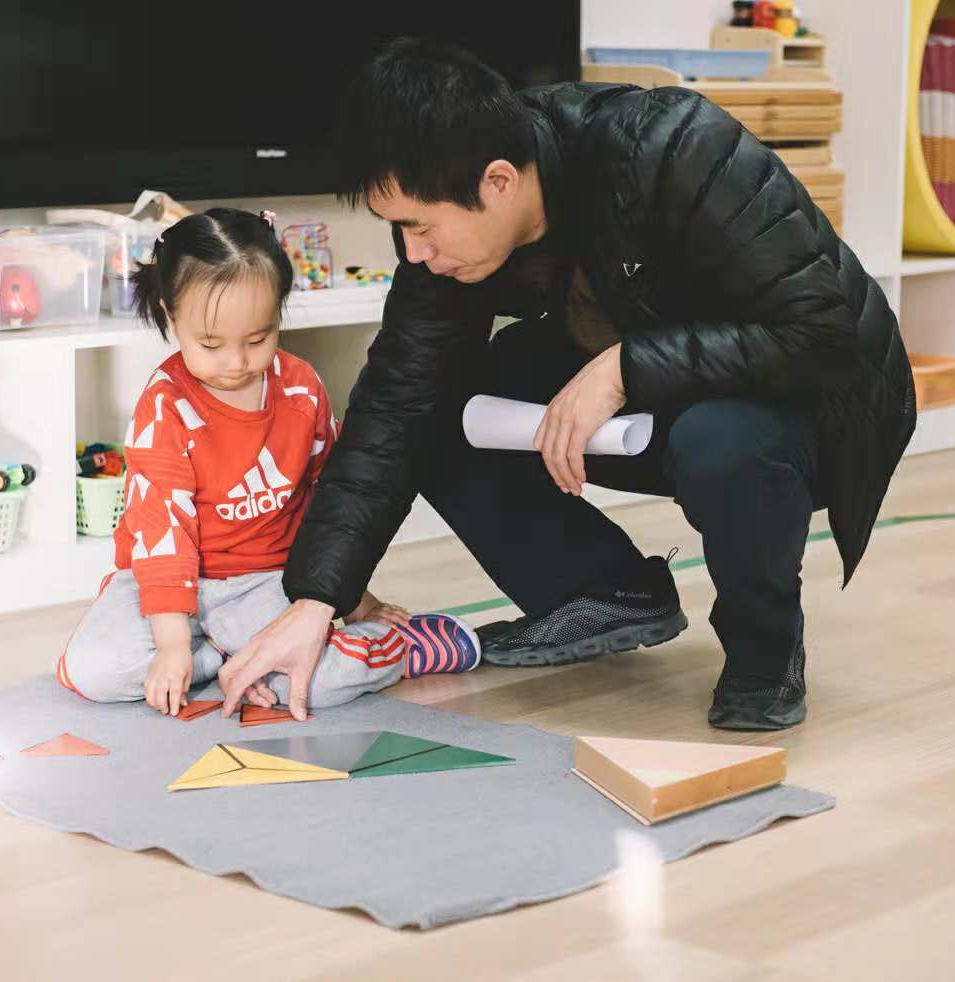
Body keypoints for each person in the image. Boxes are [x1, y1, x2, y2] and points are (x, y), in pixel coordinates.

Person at [217, 40, 916, 731]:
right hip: (660, 368)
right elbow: (397, 404)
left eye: (420, 227)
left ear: (498, 182)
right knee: (437, 408)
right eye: (399, 230)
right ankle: (604, 591)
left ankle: (765, 654)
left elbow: (821, 333)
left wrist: (624, 368)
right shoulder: (450, 230)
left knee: (722, 442)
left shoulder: (676, 145)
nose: (414, 253)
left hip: (814, 393)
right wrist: (316, 602)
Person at [56, 207, 482, 716]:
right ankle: (226, 660)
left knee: (315, 684)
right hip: (166, 584)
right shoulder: (165, 406)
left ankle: (400, 648)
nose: (237, 363)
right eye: (210, 344)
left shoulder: (301, 390)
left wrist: (357, 602)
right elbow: (161, 533)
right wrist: (171, 646)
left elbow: (333, 503)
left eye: (258, 339)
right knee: (94, 670)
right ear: (171, 316)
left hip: (267, 582)